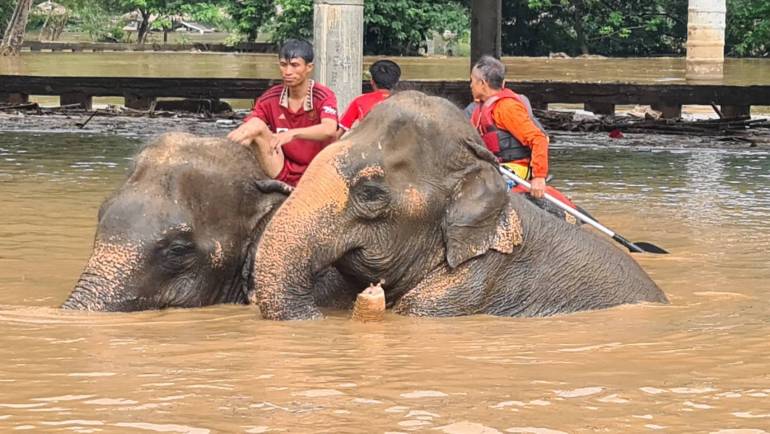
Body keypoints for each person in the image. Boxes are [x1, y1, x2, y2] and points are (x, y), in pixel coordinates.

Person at [227, 39, 338, 186]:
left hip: (317, 170)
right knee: (255, 126)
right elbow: (251, 125)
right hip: (282, 168)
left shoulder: (323, 96)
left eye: (295, 65)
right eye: (283, 65)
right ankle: (222, 151)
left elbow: (329, 129)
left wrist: (292, 133)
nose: (287, 72)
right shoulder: (270, 97)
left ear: (309, 67)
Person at [467, 55, 550, 199]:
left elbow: (539, 139)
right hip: (493, 165)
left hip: (516, 167)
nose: (470, 85)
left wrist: (539, 177)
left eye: (472, 81)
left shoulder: (507, 108)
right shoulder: (477, 110)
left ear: (482, 83)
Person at [337, 59, 401, 137]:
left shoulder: (359, 101)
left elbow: (339, 132)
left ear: (372, 81)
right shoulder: (404, 102)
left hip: (366, 144)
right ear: (397, 82)